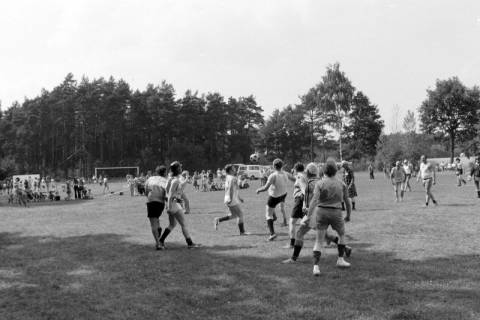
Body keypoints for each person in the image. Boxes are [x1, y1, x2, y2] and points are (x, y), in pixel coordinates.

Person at [282, 163, 352, 264]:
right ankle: (346, 248)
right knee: (326, 235)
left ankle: (293, 258)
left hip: (314, 212)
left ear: (308, 172)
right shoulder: (321, 181)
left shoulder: (309, 183)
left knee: (299, 233)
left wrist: (306, 212)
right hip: (323, 211)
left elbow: (310, 197)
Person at [306, 158, 352, 276]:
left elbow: (314, 201)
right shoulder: (342, 184)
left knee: (319, 241)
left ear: (324, 171)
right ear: (336, 171)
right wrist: (348, 215)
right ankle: (340, 260)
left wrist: (308, 215)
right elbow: (347, 201)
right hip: (336, 212)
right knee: (341, 235)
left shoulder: (319, 183)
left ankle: (316, 267)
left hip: (321, 212)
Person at [158, 161, 200, 249]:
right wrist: (169, 207)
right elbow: (170, 194)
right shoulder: (175, 181)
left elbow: (168, 191)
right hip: (174, 204)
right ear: (177, 169)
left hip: (171, 203)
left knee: (172, 224)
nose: (181, 168)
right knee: (184, 224)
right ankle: (190, 244)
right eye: (180, 167)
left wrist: (168, 205)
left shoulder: (171, 178)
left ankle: (161, 241)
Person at [256, 158, 291, 241]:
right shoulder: (286, 173)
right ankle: (274, 216)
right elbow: (293, 178)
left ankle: (272, 234)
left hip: (274, 197)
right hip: (283, 195)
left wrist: (258, 190)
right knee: (270, 207)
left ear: (274, 166)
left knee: (268, 214)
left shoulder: (273, 175)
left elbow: (265, 188)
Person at [214, 164, 249, 235]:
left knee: (234, 215)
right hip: (231, 199)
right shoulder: (233, 178)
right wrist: (231, 198)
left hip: (229, 198)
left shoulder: (228, 177)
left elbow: (234, 189)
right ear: (230, 170)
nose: (235, 170)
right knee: (240, 214)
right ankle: (242, 232)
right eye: (234, 169)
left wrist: (239, 198)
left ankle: (218, 220)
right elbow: (230, 188)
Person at [284, 162, 307, 249]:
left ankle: (292, 244)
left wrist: (304, 202)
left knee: (292, 222)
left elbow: (304, 189)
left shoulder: (299, 176)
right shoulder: (303, 175)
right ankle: (336, 241)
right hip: (304, 201)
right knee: (313, 225)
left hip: (300, 201)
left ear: (295, 169)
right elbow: (293, 179)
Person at [145, 165, 168, 250]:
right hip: (160, 203)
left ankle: (158, 244)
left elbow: (146, 190)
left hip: (151, 202)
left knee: (153, 223)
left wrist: (149, 197)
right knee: (156, 219)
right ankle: (159, 232)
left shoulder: (150, 179)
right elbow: (167, 194)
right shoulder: (165, 181)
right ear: (164, 172)